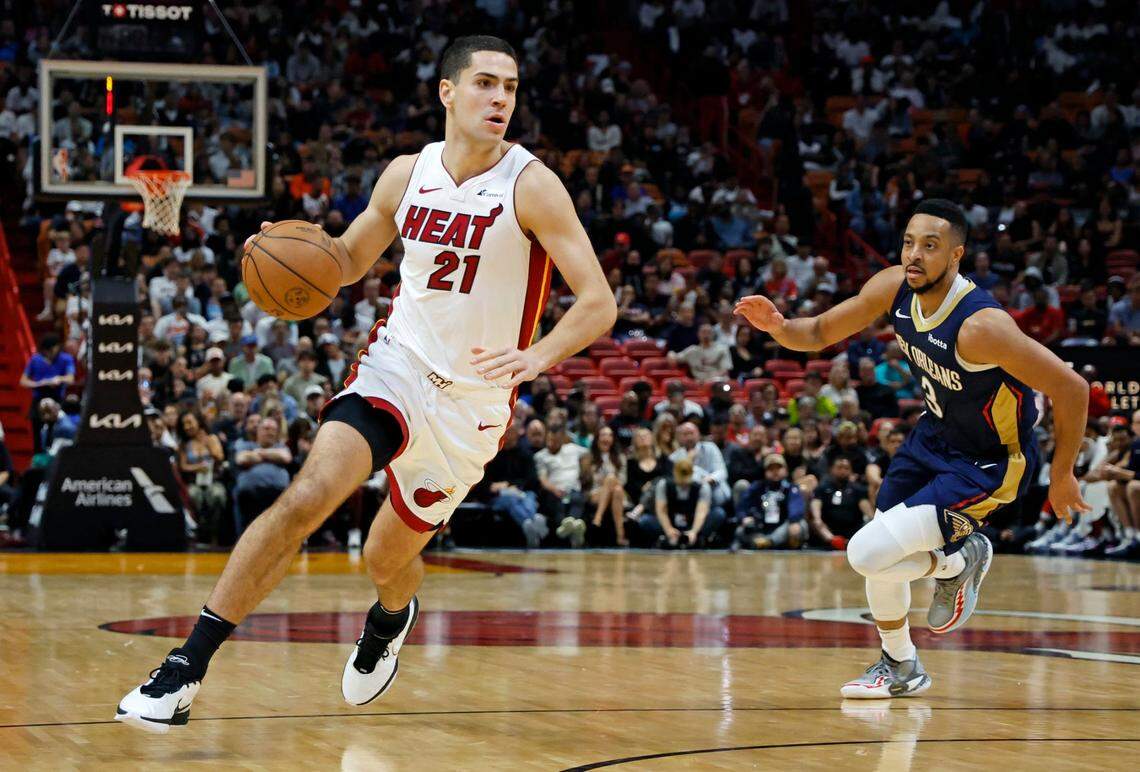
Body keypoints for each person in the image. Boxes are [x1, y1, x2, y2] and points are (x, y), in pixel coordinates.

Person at [116, 36, 617, 730]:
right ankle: (185, 667)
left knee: (387, 559)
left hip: (471, 405)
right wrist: (293, 246)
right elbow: (348, 260)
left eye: (510, 87)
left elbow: (598, 301)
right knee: (310, 494)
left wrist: (539, 356)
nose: (500, 98)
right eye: (484, 84)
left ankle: (390, 617)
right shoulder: (405, 175)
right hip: (398, 366)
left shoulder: (531, 186)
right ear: (448, 92)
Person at [736, 199, 1089, 699]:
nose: (914, 255)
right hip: (931, 440)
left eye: (930, 246)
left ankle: (960, 558)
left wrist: (1062, 474)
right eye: (908, 243)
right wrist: (777, 326)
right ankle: (900, 664)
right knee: (880, 552)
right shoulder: (894, 286)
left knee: (866, 552)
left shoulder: (981, 327)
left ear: (956, 255)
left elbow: (1072, 388)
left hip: (988, 463)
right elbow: (816, 332)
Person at [733, 454, 807, 550]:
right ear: (765, 471)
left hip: (782, 528)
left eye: (778, 468)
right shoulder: (757, 487)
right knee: (741, 530)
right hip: (761, 528)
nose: (775, 472)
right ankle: (765, 542)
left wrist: (793, 521)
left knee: (801, 524)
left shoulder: (791, 488)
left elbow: (796, 507)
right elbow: (743, 505)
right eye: (771, 469)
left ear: (785, 470)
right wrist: (744, 518)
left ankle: (769, 542)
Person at [19, 333, 75, 453]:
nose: (50, 353)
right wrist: (40, 383)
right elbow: (23, 381)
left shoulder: (66, 359)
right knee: (37, 436)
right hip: (38, 399)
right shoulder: (35, 359)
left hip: (56, 398)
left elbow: (70, 378)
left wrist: (59, 379)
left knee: (55, 433)